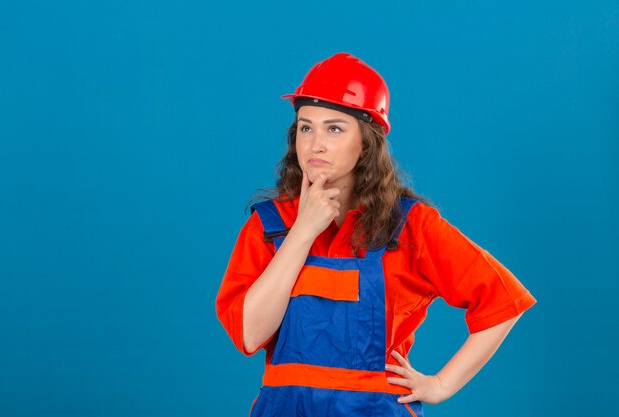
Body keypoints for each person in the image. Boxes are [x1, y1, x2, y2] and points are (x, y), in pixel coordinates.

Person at [215, 52, 536, 417]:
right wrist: (302, 232)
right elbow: (249, 334)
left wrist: (440, 385)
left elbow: (503, 302)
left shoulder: (410, 226)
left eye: (334, 128)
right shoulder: (270, 225)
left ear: (366, 142)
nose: (314, 143)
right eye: (306, 127)